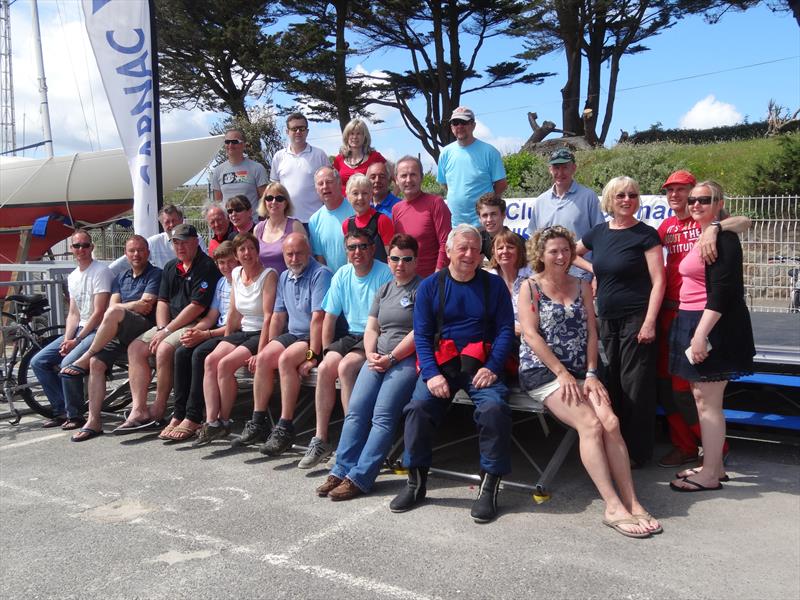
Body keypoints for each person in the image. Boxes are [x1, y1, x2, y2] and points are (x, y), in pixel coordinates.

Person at [518, 226, 662, 538]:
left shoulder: (583, 285)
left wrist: (593, 373)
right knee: (590, 424)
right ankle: (612, 507)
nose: (561, 256)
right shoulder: (530, 287)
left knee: (610, 421)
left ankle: (633, 501)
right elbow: (530, 335)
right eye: (554, 251)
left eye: (565, 250)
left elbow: (592, 334)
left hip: (583, 371)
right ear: (540, 255)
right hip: (544, 371)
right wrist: (562, 373)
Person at [390, 224, 514, 523]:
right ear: (448, 252)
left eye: (474, 248)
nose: (470, 254)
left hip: (481, 364)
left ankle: (488, 487)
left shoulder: (493, 285)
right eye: (463, 248)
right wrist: (431, 374)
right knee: (418, 408)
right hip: (442, 364)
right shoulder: (431, 286)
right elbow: (421, 335)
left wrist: (493, 366)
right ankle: (416, 482)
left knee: (494, 409)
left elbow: (505, 330)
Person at [655, 170, 751, 468]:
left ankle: (712, 453)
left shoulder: (712, 224)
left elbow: (745, 221)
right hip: (673, 311)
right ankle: (685, 446)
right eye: (670, 191)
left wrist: (715, 227)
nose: (678, 196)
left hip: (705, 315)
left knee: (695, 391)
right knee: (672, 386)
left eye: (684, 191)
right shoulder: (667, 226)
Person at [316, 234, 422, 501]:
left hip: (405, 360)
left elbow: (419, 331)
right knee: (355, 412)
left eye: (407, 259)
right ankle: (340, 469)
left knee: (382, 417)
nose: (400, 264)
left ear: (416, 261)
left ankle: (360, 477)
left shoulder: (423, 289)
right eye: (395, 258)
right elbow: (372, 326)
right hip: (378, 357)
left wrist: (392, 358)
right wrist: (372, 352)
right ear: (388, 260)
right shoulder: (384, 290)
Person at [576, 176, 665, 467]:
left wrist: (650, 322)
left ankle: (637, 454)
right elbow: (571, 253)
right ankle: (616, 447)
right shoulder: (598, 232)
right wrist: (596, 270)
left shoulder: (646, 234)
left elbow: (659, 281)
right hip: (608, 319)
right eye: (621, 195)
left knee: (635, 386)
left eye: (633, 195)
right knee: (612, 382)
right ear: (610, 200)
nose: (627, 199)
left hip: (637, 317)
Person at [300, 228, 393, 470]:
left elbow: (383, 321)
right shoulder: (342, 274)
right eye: (352, 247)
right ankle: (320, 439)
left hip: (377, 333)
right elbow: (328, 319)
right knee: (325, 368)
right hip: (350, 335)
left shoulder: (385, 273)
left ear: (373, 248)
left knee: (346, 367)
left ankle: (352, 441)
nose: (358, 252)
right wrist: (322, 352)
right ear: (346, 252)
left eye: (363, 246)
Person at [114, 224, 221, 432]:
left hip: (195, 322)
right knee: (135, 349)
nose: (180, 247)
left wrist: (166, 331)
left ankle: (159, 408)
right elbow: (162, 301)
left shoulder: (206, 266)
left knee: (164, 349)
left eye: (185, 242)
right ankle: (139, 408)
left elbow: (196, 306)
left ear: (196, 242)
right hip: (169, 323)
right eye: (176, 242)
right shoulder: (172, 266)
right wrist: (162, 327)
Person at [232, 233, 332, 452]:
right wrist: (264, 348)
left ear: (308, 252)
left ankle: (285, 427)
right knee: (265, 359)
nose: (294, 258)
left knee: (286, 359)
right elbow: (277, 317)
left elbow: (318, 319)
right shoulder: (285, 276)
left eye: (298, 253)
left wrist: (313, 357)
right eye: (289, 254)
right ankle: (258, 420)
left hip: (312, 338)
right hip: (293, 333)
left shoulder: (320, 274)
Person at [59, 235, 162, 441]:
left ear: (148, 252)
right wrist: (130, 305)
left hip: (142, 328)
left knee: (113, 315)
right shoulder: (121, 278)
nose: (136, 254)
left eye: (141, 250)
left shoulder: (155, 274)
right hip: (118, 330)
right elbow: (112, 307)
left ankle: (86, 355)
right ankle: (93, 421)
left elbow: (146, 305)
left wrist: (122, 308)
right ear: (125, 254)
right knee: (97, 364)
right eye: (132, 250)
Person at [193, 233, 277, 446]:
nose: (247, 253)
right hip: (242, 330)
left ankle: (224, 419)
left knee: (225, 364)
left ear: (257, 251)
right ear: (237, 255)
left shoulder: (269, 275)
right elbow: (233, 312)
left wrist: (261, 351)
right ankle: (211, 422)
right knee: (211, 360)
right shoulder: (237, 273)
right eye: (242, 250)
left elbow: (269, 317)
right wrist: (226, 341)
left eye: (250, 248)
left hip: (259, 333)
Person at [32, 229, 113, 429]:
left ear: (91, 248)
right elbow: (74, 313)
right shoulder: (73, 276)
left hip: (96, 330)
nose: (81, 249)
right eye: (77, 246)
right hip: (78, 331)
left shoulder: (101, 271)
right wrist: (67, 339)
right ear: (71, 249)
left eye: (85, 245)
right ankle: (61, 410)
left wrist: (76, 341)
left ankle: (75, 415)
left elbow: (99, 312)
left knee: (69, 362)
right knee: (38, 362)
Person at [160, 242, 238, 442]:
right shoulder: (221, 283)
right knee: (182, 350)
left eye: (230, 262)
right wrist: (194, 331)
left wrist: (206, 335)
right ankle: (179, 413)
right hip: (216, 330)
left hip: (233, 334)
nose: (226, 267)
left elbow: (235, 325)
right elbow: (211, 316)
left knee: (199, 354)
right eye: (221, 263)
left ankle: (194, 416)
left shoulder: (240, 281)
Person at [526, 148, 604, 280]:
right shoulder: (540, 201)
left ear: (573, 168)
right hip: (547, 277)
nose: (560, 172)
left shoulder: (588, 197)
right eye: (556, 167)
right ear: (550, 169)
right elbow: (533, 241)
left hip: (580, 276)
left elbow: (600, 239)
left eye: (565, 167)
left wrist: (597, 274)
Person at [436, 107, 507, 228]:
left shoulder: (490, 152)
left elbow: (501, 184)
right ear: (451, 127)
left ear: (473, 125)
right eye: (455, 123)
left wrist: (486, 205)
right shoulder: (445, 153)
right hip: (455, 226)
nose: (459, 126)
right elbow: (445, 184)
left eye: (464, 122)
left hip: (484, 227)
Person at [392, 155, 451, 277]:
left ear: (421, 177)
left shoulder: (435, 203)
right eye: (403, 176)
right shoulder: (396, 209)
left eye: (413, 174)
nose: (408, 180)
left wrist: (437, 275)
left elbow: (446, 243)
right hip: (406, 281)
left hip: (431, 279)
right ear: (396, 180)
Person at [270, 113, 331, 226]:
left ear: (307, 131)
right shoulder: (278, 157)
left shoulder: (319, 155)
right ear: (287, 132)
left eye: (301, 128)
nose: (298, 132)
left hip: (315, 220)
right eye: (294, 129)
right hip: (287, 221)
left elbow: (329, 187)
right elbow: (275, 190)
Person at [109, 205, 207, 274]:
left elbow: (204, 263)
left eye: (174, 221)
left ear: (181, 220)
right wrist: (104, 273)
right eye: (167, 222)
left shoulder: (195, 238)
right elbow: (124, 261)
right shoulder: (154, 242)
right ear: (162, 224)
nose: (171, 225)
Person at [210, 127, 268, 213]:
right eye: (227, 142)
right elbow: (218, 202)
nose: (230, 145)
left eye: (234, 142)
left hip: (252, 223)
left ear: (243, 144)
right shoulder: (218, 171)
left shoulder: (257, 168)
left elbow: (264, 199)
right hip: (228, 224)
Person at [485, 230, 531, 338]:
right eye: (500, 248)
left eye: (510, 247)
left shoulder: (533, 276)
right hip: (499, 336)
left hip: (530, 337)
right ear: (494, 252)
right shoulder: (486, 279)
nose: (505, 251)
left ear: (519, 251)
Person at [308, 166, 355, 272]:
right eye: (320, 183)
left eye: (329, 182)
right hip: (332, 282)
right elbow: (320, 259)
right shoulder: (314, 220)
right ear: (316, 189)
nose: (325, 187)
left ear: (339, 184)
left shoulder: (355, 210)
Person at [341, 173, 394, 263]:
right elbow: (350, 258)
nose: (360, 198)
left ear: (371, 195)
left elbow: (392, 257)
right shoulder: (347, 224)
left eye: (365, 193)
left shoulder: (382, 221)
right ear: (348, 197)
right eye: (355, 193)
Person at [254, 182, 305, 273]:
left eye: (279, 198)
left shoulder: (295, 226)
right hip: (265, 284)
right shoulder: (257, 229)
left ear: (286, 203)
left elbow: (306, 257)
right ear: (264, 202)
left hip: (289, 284)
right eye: (269, 198)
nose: (274, 202)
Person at [332, 118, 386, 196]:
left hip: (367, 206)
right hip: (344, 205)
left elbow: (394, 177)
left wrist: (388, 200)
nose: (355, 137)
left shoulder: (375, 157)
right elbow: (332, 184)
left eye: (358, 133)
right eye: (351, 133)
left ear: (365, 137)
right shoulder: (338, 159)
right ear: (346, 137)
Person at [476, 193, 524, 261]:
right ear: (479, 219)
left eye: (494, 214)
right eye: (485, 215)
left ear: (503, 215)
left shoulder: (517, 241)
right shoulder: (481, 238)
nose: (489, 219)